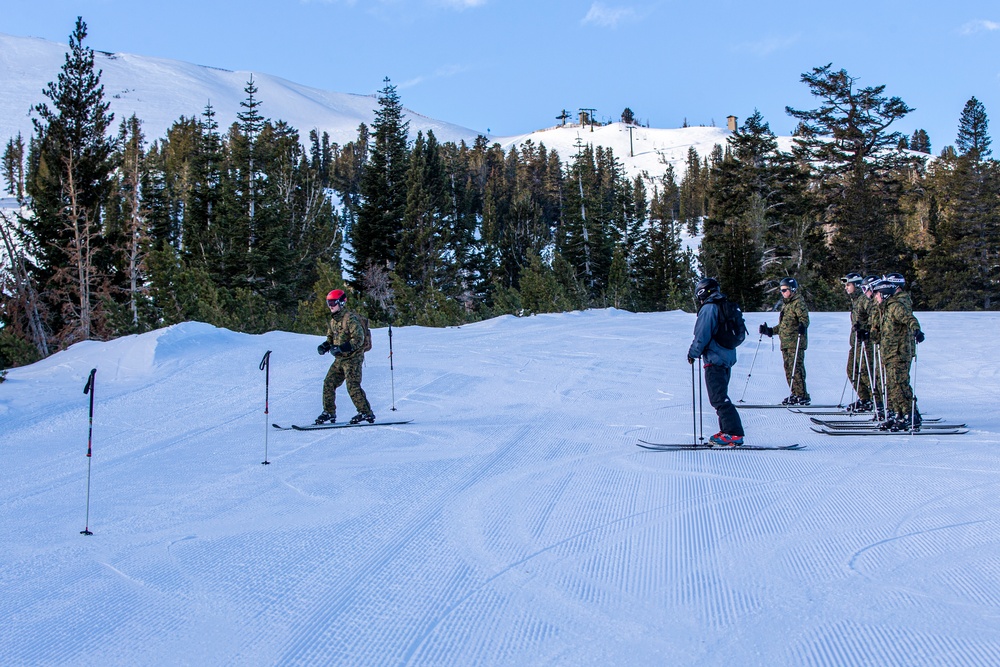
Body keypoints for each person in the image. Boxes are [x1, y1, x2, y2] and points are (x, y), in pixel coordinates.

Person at [687, 277, 745, 446]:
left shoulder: (710, 308)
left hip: (714, 359)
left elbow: (702, 334)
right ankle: (727, 430)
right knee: (720, 396)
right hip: (726, 358)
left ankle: (733, 433)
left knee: (718, 399)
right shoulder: (723, 306)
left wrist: (693, 353)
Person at [870, 276, 924, 430]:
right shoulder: (884, 309)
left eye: (877, 294)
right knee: (892, 386)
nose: (875, 297)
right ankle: (898, 414)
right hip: (889, 353)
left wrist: (916, 331)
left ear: (885, 294)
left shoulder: (895, 307)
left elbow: (910, 319)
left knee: (900, 385)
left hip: (899, 353)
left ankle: (909, 414)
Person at [315, 289, 375, 425]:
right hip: (340, 359)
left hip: (353, 358)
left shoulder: (351, 319)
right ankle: (329, 412)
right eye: (328, 302)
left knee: (352, 385)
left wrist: (342, 348)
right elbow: (331, 338)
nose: (330, 306)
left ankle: (365, 412)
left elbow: (358, 339)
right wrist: (324, 346)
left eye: (333, 302)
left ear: (341, 303)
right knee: (329, 383)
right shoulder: (334, 321)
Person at [759, 277, 810, 405]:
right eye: (781, 290)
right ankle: (794, 393)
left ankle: (802, 394)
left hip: (795, 342)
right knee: (788, 368)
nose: (782, 292)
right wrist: (770, 331)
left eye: (784, 290)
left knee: (796, 368)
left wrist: (802, 326)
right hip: (786, 343)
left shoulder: (798, 302)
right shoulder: (786, 305)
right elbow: (783, 326)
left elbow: (804, 319)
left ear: (792, 289)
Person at [843, 272, 874, 413]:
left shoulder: (864, 299)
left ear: (856, 285)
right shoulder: (855, 301)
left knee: (865, 372)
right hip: (856, 343)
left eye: (848, 285)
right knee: (852, 370)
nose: (846, 288)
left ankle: (876, 400)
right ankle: (865, 398)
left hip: (865, 342)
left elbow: (874, 318)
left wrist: (865, 330)